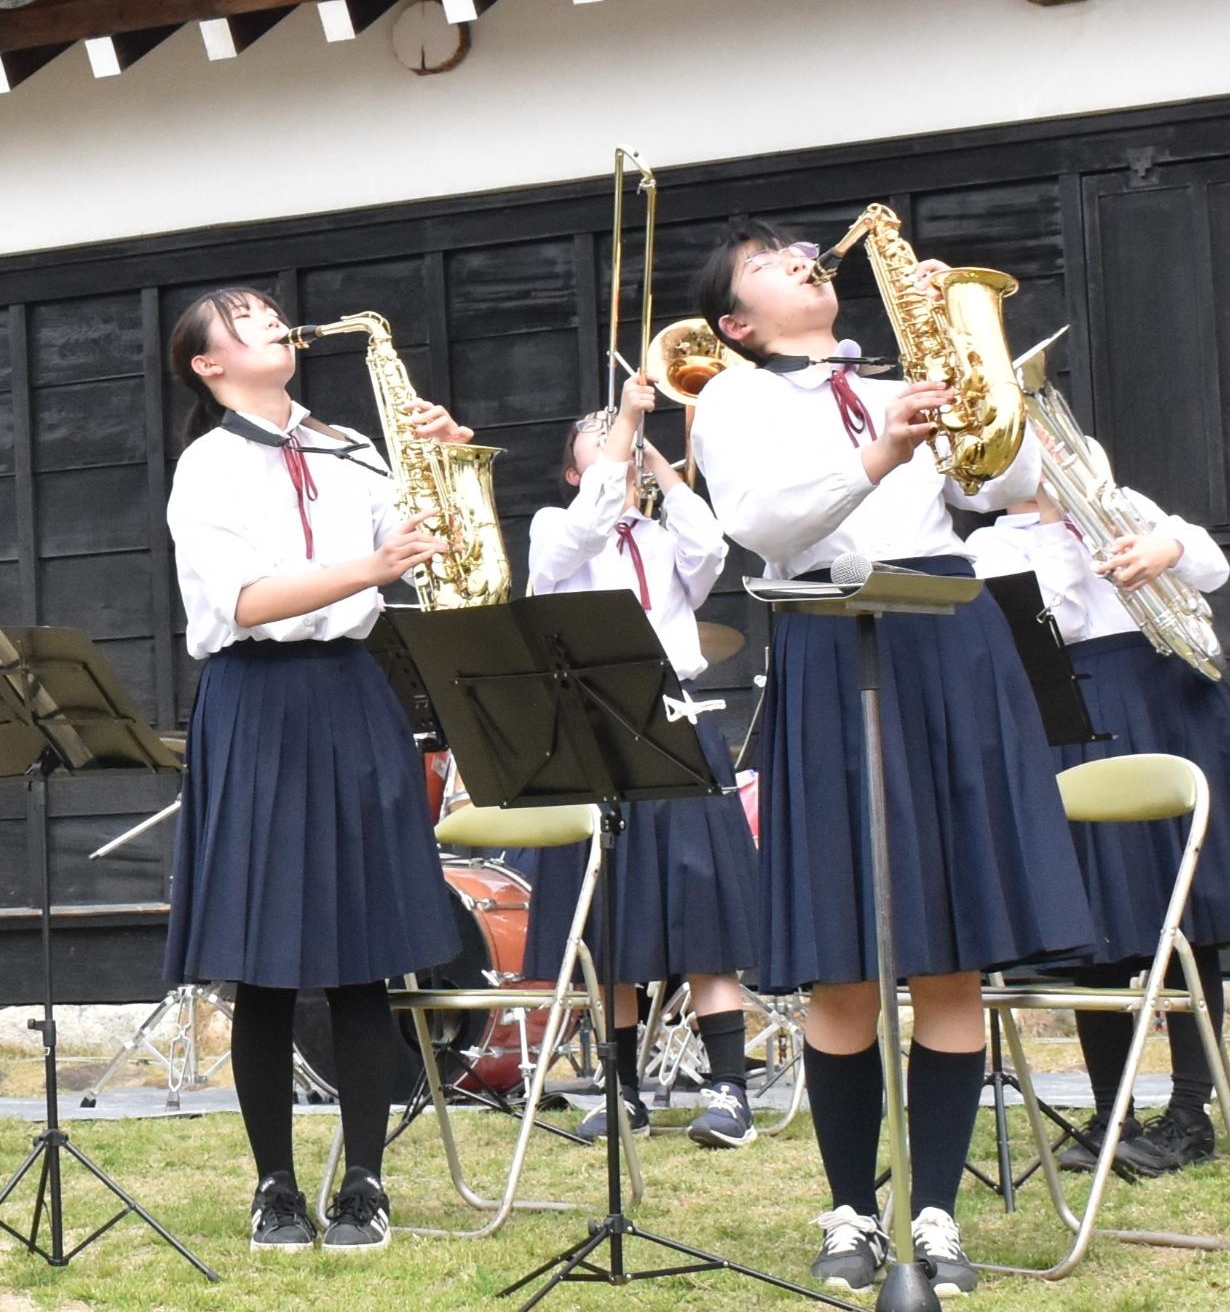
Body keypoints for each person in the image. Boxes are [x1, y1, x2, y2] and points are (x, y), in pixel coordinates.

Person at [691, 222, 1097, 1296]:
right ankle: (848, 1208)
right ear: (739, 320)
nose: (804, 266)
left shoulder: (890, 374)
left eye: (805, 256)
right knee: (845, 955)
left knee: (951, 945)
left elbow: (1001, 482)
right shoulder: (730, 398)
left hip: (948, 632)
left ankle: (935, 1212)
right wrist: (882, 447)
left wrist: (972, 353)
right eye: (776, 265)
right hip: (835, 632)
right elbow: (767, 528)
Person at [163, 287, 469, 1252]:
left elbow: (433, 551)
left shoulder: (349, 446)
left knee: (361, 958)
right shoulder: (205, 466)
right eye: (243, 316)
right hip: (257, 698)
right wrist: (372, 568)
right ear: (208, 364)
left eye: (269, 309)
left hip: (351, 689)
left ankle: (368, 1184)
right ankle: (275, 1189)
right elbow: (247, 600)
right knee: (263, 966)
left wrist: (449, 464)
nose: (271, 320)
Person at [967, 484, 1230, 1178]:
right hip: (1077, 709)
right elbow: (1058, 618)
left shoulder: (1117, 499)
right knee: (1093, 925)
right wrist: (1052, 529)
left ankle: (1191, 1115)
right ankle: (1111, 1111)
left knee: (1190, 919)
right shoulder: (989, 543)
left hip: (1171, 697)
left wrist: (1167, 546)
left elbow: (1212, 568)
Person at [507, 372, 763, 1148]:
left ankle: (729, 1088)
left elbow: (710, 546)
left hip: (677, 718)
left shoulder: (662, 536)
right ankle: (620, 1091)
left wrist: (657, 459)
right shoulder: (556, 528)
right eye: (605, 456)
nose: (624, 466)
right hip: (595, 728)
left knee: (703, 902)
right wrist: (622, 434)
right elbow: (583, 528)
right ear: (576, 474)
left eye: (630, 457)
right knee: (609, 918)